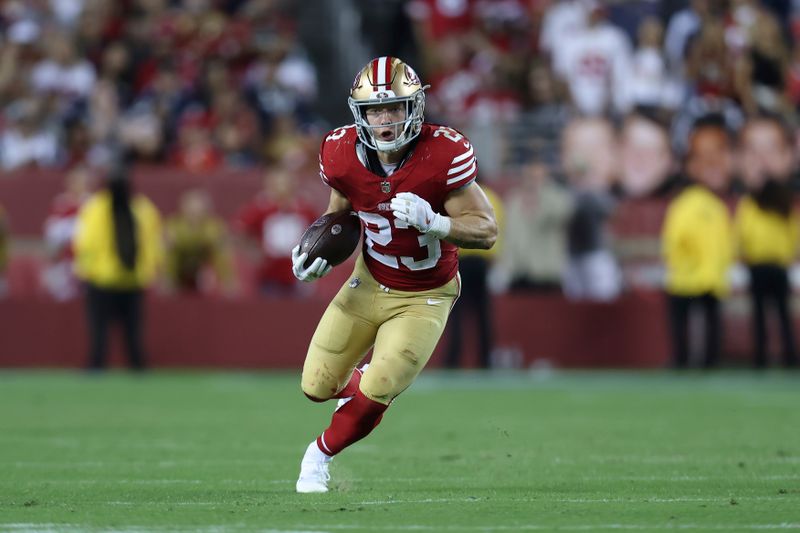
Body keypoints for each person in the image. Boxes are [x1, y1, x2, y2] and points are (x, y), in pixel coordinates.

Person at [290, 57, 497, 493]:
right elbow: (338, 218)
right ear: (359, 114)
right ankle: (363, 388)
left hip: (425, 293)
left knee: (382, 384)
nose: (385, 119)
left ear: (415, 108)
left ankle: (319, 455)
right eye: (375, 111)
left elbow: (487, 230)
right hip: (368, 282)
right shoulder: (340, 152)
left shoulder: (445, 152)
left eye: (395, 108)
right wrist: (313, 256)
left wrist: (438, 223)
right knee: (315, 386)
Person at [73, 163, 163, 370]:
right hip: (103, 279)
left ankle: (136, 365)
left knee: (133, 331)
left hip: (130, 279)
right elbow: (85, 244)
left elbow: (152, 242)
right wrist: (86, 271)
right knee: (100, 330)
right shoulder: (96, 208)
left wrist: (151, 269)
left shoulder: (141, 209)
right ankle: (98, 364)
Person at [661, 117, 735, 369]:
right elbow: (727, 243)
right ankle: (709, 361)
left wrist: (676, 264)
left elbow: (672, 240)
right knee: (711, 321)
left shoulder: (682, 205)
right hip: (710, 276)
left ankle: (682, 360)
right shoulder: (716, 206)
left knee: (680, 322)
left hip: (685, 276)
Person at [735, 116, 799, 368]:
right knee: (760, 316)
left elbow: (793, 235)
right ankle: (760, 359)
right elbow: (742, 234)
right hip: (758, 266)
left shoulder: (783, 204)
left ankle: (789, 358)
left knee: (782, 316)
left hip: (777, 267)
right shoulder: (750, 204)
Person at [444, 184, 504, 369]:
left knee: (455, 314)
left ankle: (453, 360)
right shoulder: (491, 197)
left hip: (461, 260)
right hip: (482, 261)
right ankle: (485, 360)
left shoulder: (456, 196)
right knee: (483, 315)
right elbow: (495, 232)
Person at [165, 189, 235, 295]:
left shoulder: (213, 225)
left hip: (202, 268)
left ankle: (228, 283)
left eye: (198, 208)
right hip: (180, 266)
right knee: (167, 249)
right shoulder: (174, 224)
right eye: (190, 207)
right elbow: (168, 243)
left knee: (222, 250)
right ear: (183, 208)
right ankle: (168, 282)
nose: (194, 211)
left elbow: (218, 246)